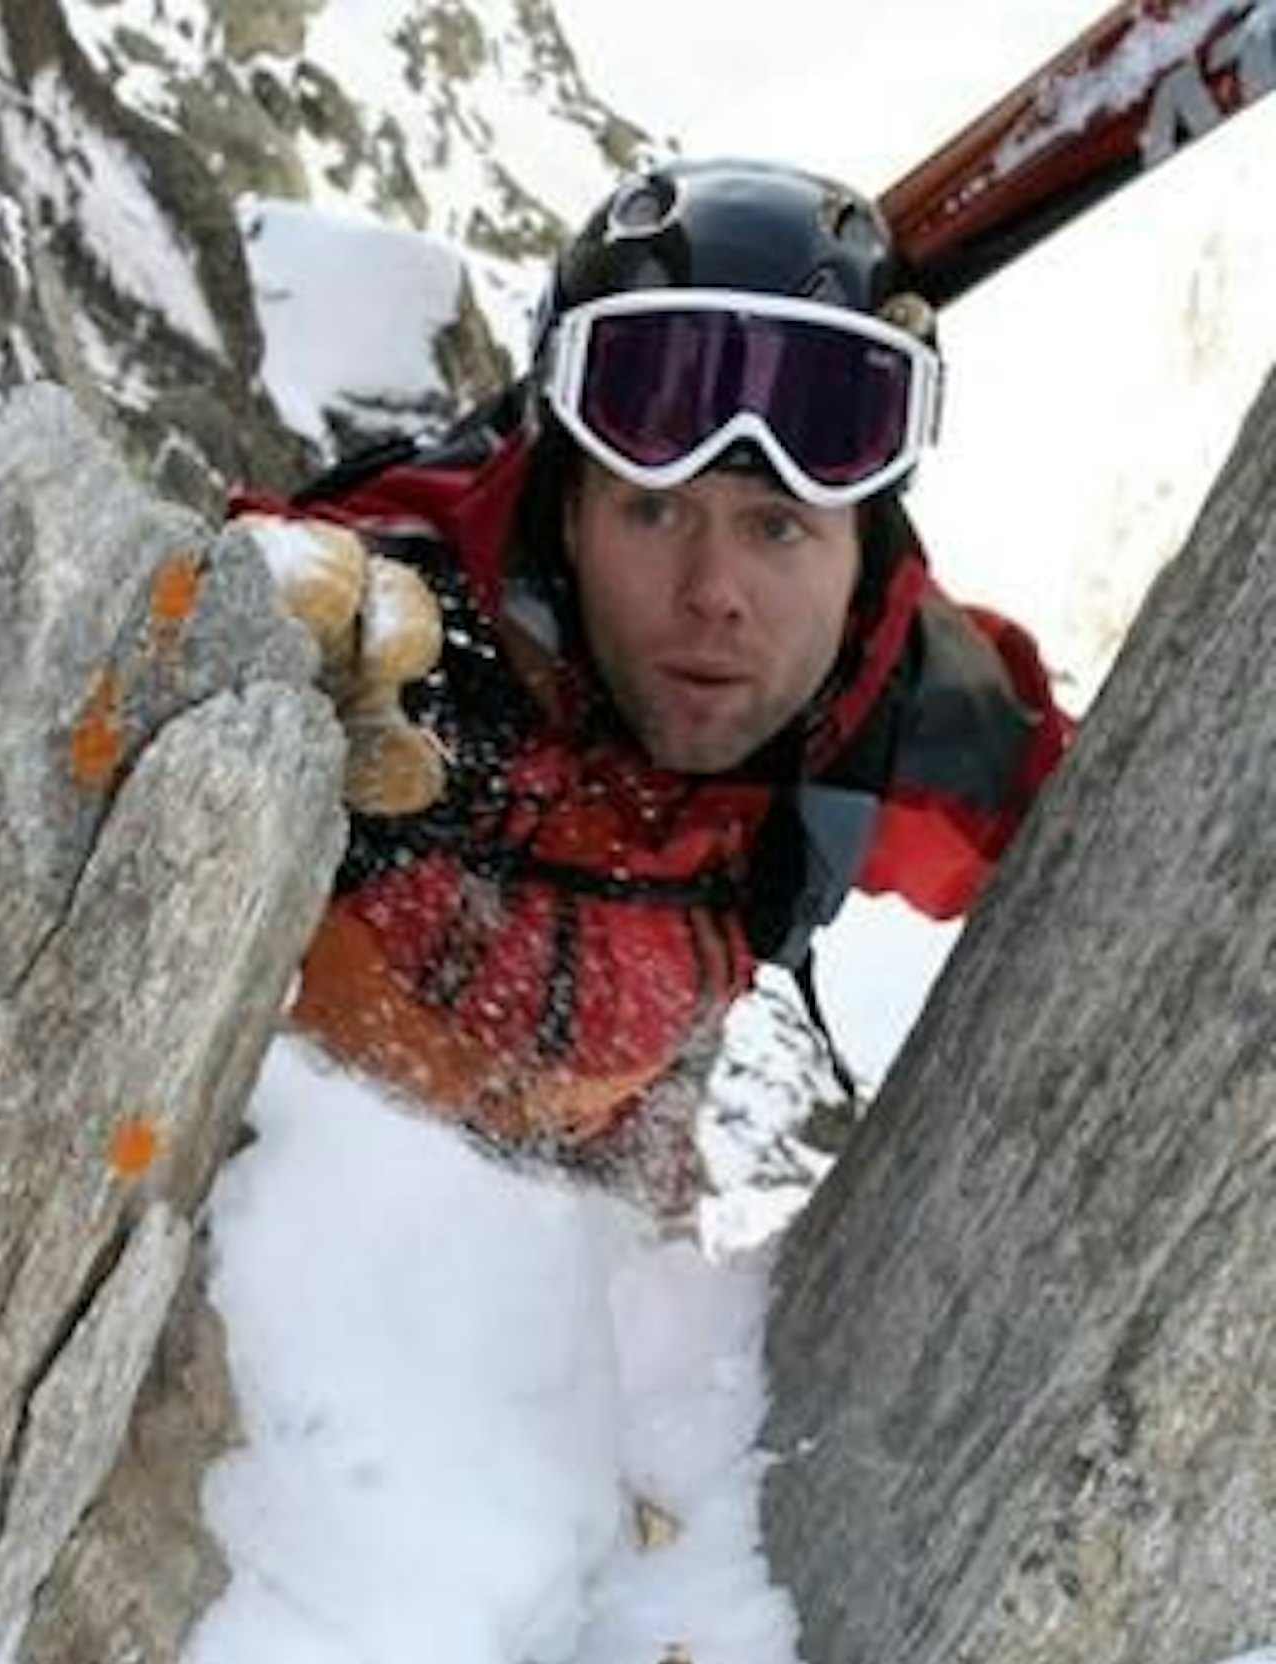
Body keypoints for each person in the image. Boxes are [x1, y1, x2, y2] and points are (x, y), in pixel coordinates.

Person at [236, 156, 1072, 1214]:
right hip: (251, 1215)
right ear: (569, 512)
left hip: (599, 1257)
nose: (713, 592)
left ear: (861, 555)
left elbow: (1152, 847)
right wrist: (229, 659)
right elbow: (120, 617)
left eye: (776, 527)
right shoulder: (393, 619)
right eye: (653, 510)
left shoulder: (890, 713)